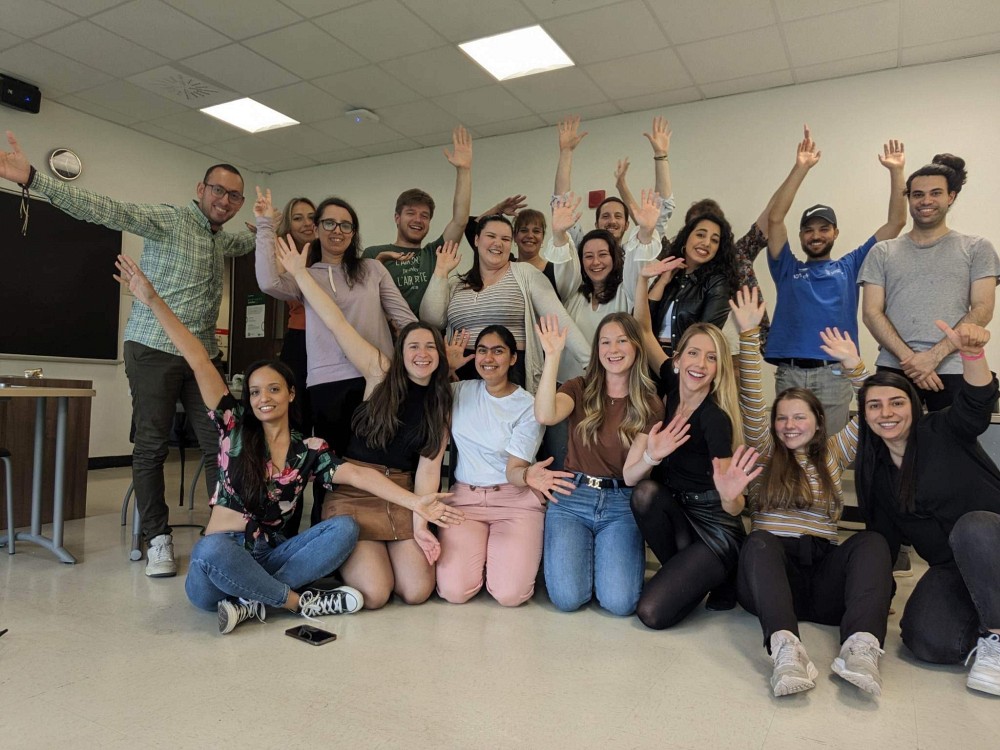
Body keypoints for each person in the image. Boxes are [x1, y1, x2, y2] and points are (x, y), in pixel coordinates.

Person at [112, 254, 462, 635]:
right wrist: (152, 300)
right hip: (219, 562)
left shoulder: (307, 450)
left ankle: (250, 600)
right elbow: (198, 359)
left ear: (291, 394)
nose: (264, 398)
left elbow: (359, 475)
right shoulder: (234, 428)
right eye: (255, 391)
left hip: (270, 555)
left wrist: (415, 504)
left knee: (345, 528)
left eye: (274, 389)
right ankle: (294, 601)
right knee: (209, 550)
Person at [0, 130, 254, 577]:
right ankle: (156, 538)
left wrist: (270, 230)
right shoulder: (169, 219)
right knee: (152, 445)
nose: (225, 200)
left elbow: (246, 243)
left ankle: (226, 534)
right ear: (201, 189)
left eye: (235, 196)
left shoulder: (222, 240)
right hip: (153, 347)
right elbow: (106, 209)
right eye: (219, 190)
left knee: (223, 443)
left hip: (201, 356)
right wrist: (34, 179)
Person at [274, 235, 454, 609]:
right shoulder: (379, 371)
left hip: (402, 495)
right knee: (375, 593)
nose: (422, 354)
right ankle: (334, 565)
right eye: (413, 346)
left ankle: (371, 558)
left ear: (440, 354)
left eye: (429, 347)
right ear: (401, 351)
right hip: (355, 492)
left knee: (416, 591)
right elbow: (335, 321)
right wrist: (299, 274)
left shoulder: (441, 403)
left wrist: (421, 524)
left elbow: (428, 472)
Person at [729, 286, 892, 697]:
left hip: (822, 577)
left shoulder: (834, 452)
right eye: (782, 418)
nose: (789, 425)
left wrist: (855, 366)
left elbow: (873, 410)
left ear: (819, 422)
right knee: (759, 541)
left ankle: (860, 649)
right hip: (770, 576)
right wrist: (748, 335)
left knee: (873, 543)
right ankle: (786, 650)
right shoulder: (765, 451)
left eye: (799, 417)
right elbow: (751, 399)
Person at [854, 320, 1000, 696]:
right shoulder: (877, 474)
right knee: (926, 639)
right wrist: (875, 598)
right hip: (954, 569)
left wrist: (972, 354)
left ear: (914, 406)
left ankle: (996, 639)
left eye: (896, 402)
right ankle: (989, 621)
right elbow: (882, 543)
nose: (886, 413)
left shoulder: (941, 429)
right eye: (874, 405)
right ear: (865, 416)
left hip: (993, 542)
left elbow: (977, 403)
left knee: (972, 527)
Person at [764, 126, 906, 433]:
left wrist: (896, 172)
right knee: (791, 451)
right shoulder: (786, 267)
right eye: (808, 230)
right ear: (801, 235)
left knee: (831, 454)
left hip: (835, 374)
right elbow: (775, 218)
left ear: (835, 233)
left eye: (823, 228)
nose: (816, 235)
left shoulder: (850, 265)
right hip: (790, 374)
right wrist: (801, 168)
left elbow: (896, 222)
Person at [254, 190, 416, 458]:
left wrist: (427, 353)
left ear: (353, 233)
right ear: (316, 229)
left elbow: (404, 318)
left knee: (376, 456)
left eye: (345, 225)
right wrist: (264, 225)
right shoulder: (305, 276)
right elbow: (268, 282)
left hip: (376, 376)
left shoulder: (373, 269)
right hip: (328, 381)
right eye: (329, 223)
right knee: (333, 462)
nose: (337, 230)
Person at [627, 267, 745, 627]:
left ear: (718, 369)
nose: (701, 364)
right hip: (679, 514)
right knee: (644, 494)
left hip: (715, 526)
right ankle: (693, 577)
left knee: (650, 613)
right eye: (694, 353)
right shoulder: (670, 384)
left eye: (712, 358)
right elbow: (643, 330)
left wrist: (731, 497)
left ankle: (720, 572)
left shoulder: (715, 420)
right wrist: (643, 280)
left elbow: (734, 502)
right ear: (677, 361)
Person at [534, 313, 663, 616]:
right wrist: (552, 356)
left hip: (621, 502)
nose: (613, 349)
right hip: (572, 496)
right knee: (567, 599)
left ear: (636, 346)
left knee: (620, 603)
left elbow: (632, 476)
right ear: (597, 350)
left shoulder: (650, 403)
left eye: (621, 340)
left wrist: (653, 456)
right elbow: (545, 415)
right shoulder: (579, 387)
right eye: (605, 342)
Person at [436, 325, 573, 607]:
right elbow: (419, 398)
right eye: (482, 350)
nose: (488, 358)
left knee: (510, 595)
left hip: (514, 501)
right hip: (465, 500)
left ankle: (496, 564)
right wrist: (446, 369)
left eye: (498, 351)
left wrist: (527, 475)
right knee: (454, 591)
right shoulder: (459, 391)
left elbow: (514, 470)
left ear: (512, 358)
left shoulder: (527, 405)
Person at [860, 154, 1000, 411]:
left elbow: (983, 309)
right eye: (918, 195)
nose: (926, 201)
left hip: (955, 370)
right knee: (889, 437)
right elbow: (871, 313)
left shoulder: (977, 248)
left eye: (935, 193)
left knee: (955, 436)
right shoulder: (882, 252)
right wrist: (911, 360)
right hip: (895, 368)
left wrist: (933, 357)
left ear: (951, 197)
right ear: (909, 199)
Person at [419, 214, 590, 393]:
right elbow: (431, 320)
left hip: (512, 372)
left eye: (505, 239)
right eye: (491, 236)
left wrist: (590, 363)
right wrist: (440, 273)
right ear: (476, 240)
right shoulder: (457, 284)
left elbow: (559, 319)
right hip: (463, 372)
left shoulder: (526, 274)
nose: (498, 243)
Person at [363, 125, 473, 315]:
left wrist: (464, 170)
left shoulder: (434, 254)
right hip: (387, 332)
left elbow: (460, 221)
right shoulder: (374, 253)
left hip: (427, 331)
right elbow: (362, 296)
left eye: (424, 215)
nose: (418, 220)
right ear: (397, 218)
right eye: (411, 213)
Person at [554, 115, 675, 247]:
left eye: (618, 216)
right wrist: (566, 152)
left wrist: (660, 154)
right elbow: (561, 206)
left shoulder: (634, 253)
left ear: (627, 225)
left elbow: (658, 214)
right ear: (596, 224)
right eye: (605, 216)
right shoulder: (584, 251)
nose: (612, 221)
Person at [644, 211, 737, 356]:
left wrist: (675, 362)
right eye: (700, 235)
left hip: (685, 360)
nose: (706, 243)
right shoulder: (670, 272)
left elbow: (706, 335)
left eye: (714, 240)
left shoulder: (717, 283)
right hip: (649, 356)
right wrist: (662, 282)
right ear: (686, 237)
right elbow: (642, 322)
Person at [274, 196, 316, 436]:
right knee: (296, 410)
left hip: (331, 338)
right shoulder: (285, 254)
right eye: (298, 218)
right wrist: (270, 234)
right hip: (299, 338)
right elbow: (278, 282)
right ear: (289, 226)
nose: (307, 223)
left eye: (311, 217)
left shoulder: (328, 252)